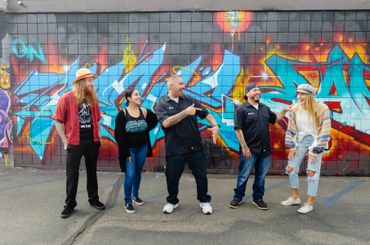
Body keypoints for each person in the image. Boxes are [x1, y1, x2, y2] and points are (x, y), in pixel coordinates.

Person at [155, 74, 219, 215]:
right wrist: (185, 112)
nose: (183, 86)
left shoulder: (189, 99)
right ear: (171, 86)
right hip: (175, 149)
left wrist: (215, 125)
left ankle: (204, 200)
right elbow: (166, 123)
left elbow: (205, 113)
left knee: (201, 176)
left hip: (195, 147)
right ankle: (172, 201)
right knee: (172, 178)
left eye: (183, 83)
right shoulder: (162, 103)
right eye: (180, 84)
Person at [53, 67, 106, 219]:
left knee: (92, 172)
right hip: (75, 143)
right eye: (89, 80)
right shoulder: (67, 97)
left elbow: (97, 120)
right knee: (72, 174)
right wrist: (64, 141)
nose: (92, 83)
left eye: (92, 81)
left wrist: (99, 136)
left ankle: (93, 199)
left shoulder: (93, 99)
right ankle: (70, 204)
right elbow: (57, 120)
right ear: (81, 82)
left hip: (92, 142)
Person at [229, 82, 290, 210]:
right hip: (249, 150)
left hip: (265, 149)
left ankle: (258, 198)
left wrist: (283, 112)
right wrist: (244, 147)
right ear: (247, 93)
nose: (258, 92)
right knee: (244, 175)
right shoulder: (242, 109)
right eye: (254, 90)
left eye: (258, 90)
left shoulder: (264, 108)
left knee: (261, 176)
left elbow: (275, 119)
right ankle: (237, 197)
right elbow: (238, 130)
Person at [281, 84, 331, 214]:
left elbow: (325, 130)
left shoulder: (322, 108)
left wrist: (316, 149)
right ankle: (295, 197)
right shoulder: (295, 109)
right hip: (300, 140)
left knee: (312, 172)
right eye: (298, 93)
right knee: (291, 169)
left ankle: (309, 203)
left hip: (316, 140)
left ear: (310, 95)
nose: (299, 96)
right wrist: (291, 146)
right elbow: (291, 128)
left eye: (302, 94)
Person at [114, 89, 158, 214]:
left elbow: (155, 120)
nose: (139, 96)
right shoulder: (122, 114)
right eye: (136, 95)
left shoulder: (143, 111)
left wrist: (144, 129)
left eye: (139, 94)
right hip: (130, 150)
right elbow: (119, 135)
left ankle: (135, 195)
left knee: (138, 173)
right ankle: (127, 201)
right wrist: (125, 153)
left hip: (142, 148)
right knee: (130, 175)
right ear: (129, 98)